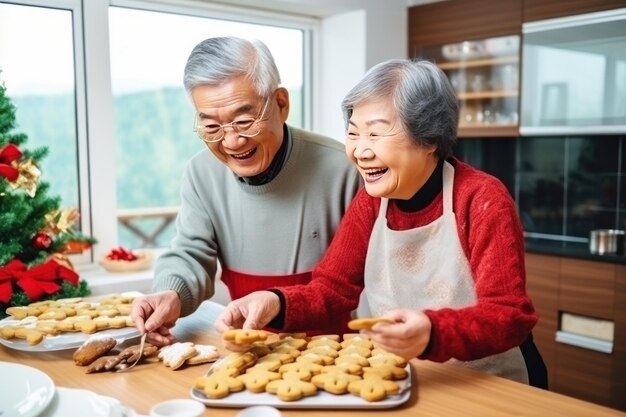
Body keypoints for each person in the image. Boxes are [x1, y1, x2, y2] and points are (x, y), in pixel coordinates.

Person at [215, 58, 548, 388]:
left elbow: (508, 315)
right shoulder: (371, 202)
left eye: (375, 134)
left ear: (430, 138)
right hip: (412, 380)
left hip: (489, 382)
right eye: (353, 133)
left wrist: (431, 331)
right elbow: (333, 291)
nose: (360, 151)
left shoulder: (481, 198)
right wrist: (275, 301)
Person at [131, 36, 361, 346]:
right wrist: (171, 292)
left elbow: (365, 282)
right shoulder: (201, 174)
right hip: (247, 349)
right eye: (211, 126)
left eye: (244, 120)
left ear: (281, 104)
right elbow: (191, 252)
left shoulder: (345, 169)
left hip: (335, 351)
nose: (231, 141)